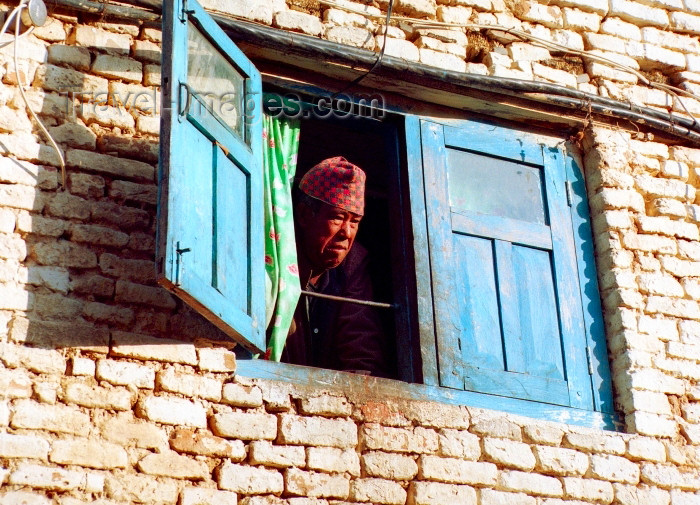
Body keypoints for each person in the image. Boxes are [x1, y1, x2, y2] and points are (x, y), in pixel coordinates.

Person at [281, 156, 387, 376]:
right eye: (337, 218)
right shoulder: (278, 253)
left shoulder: (353, 263)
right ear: (303, 215)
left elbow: (361, 345)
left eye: (355, 221)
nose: (346, 233)